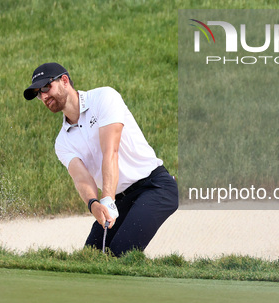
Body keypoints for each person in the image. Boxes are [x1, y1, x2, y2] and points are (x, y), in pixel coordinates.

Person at [24, 62, 178, 256]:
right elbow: (81, 179)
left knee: (118, 253)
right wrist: (94, 205)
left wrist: (107, 199)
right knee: (91, 256)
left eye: (46, 87)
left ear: (64, 81)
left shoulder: (104, 97)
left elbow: (110, 152)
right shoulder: (62, 142)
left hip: (154, 187)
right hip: (121, 198)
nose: (44, 96)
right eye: (38, 93)